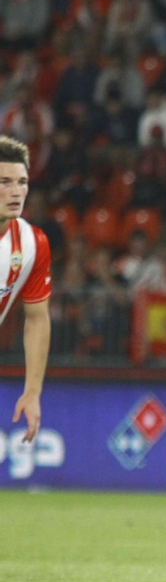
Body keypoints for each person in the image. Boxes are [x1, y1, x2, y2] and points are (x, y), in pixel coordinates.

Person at [0, 137, 51, 443]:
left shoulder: (33, 243)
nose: (16, 191)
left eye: (22, 182)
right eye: (4, 182)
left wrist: (32, 392)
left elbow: (37, 318)